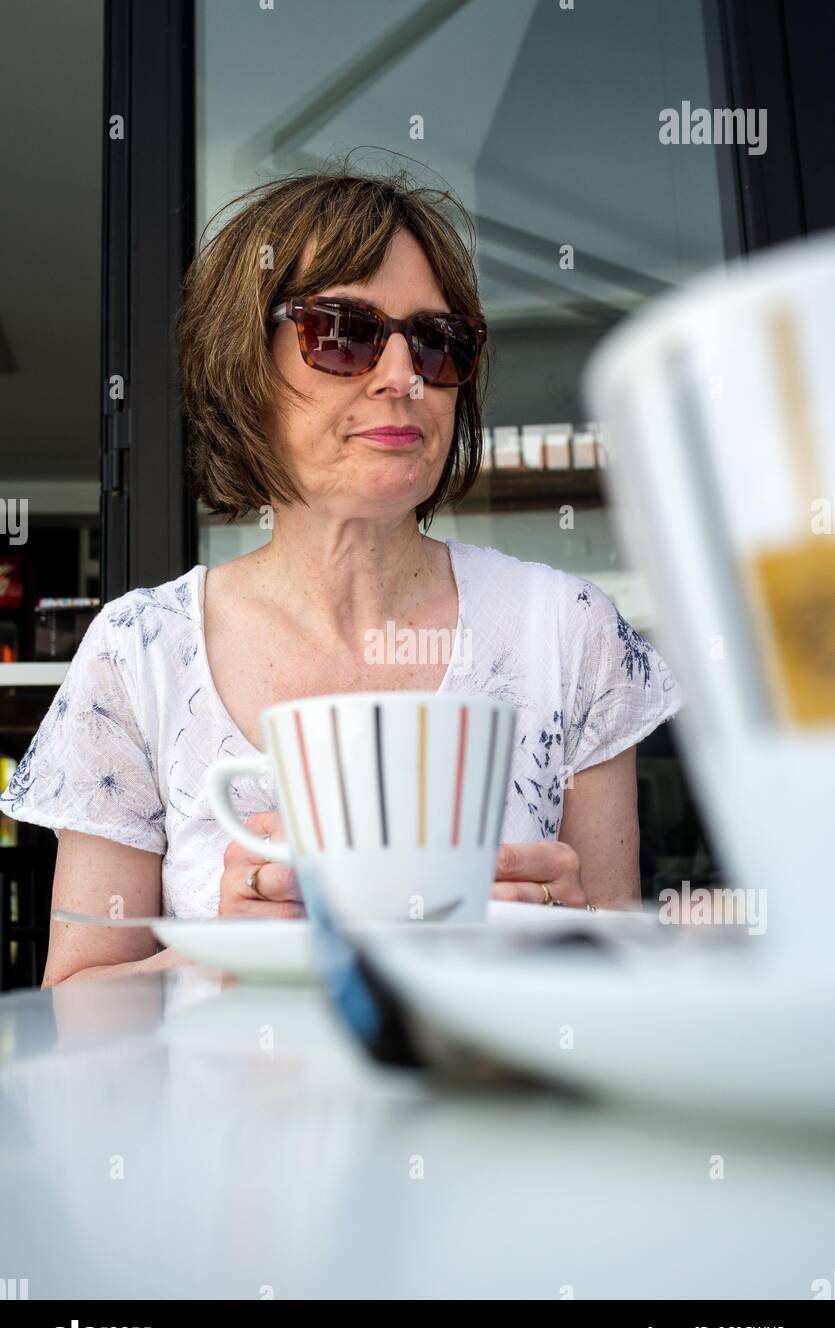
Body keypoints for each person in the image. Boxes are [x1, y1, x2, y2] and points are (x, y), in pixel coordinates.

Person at [0, 168, 683, 985]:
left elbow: (623, 991)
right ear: (241, 367)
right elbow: (71, 1005)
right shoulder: (139, 652)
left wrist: (576, 940)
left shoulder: (567, 630)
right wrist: (211, 955)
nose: (404, 376)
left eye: (436, 340)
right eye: (342, 332)